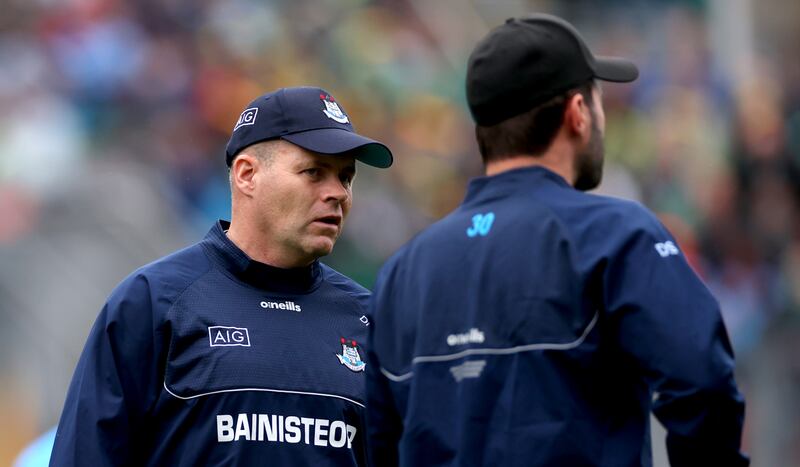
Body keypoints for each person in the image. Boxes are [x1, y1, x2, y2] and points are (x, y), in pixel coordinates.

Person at [365, 14, 748, 467]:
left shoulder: (401, 272)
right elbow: (702, 381)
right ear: (578, 113)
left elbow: (375, 438)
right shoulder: (616, 236)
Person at [50, 86, 393, 466]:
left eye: (345, 177)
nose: (338, 194)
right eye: (314, 172)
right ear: (247, 175)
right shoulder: (153, 302)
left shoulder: (370, 320)